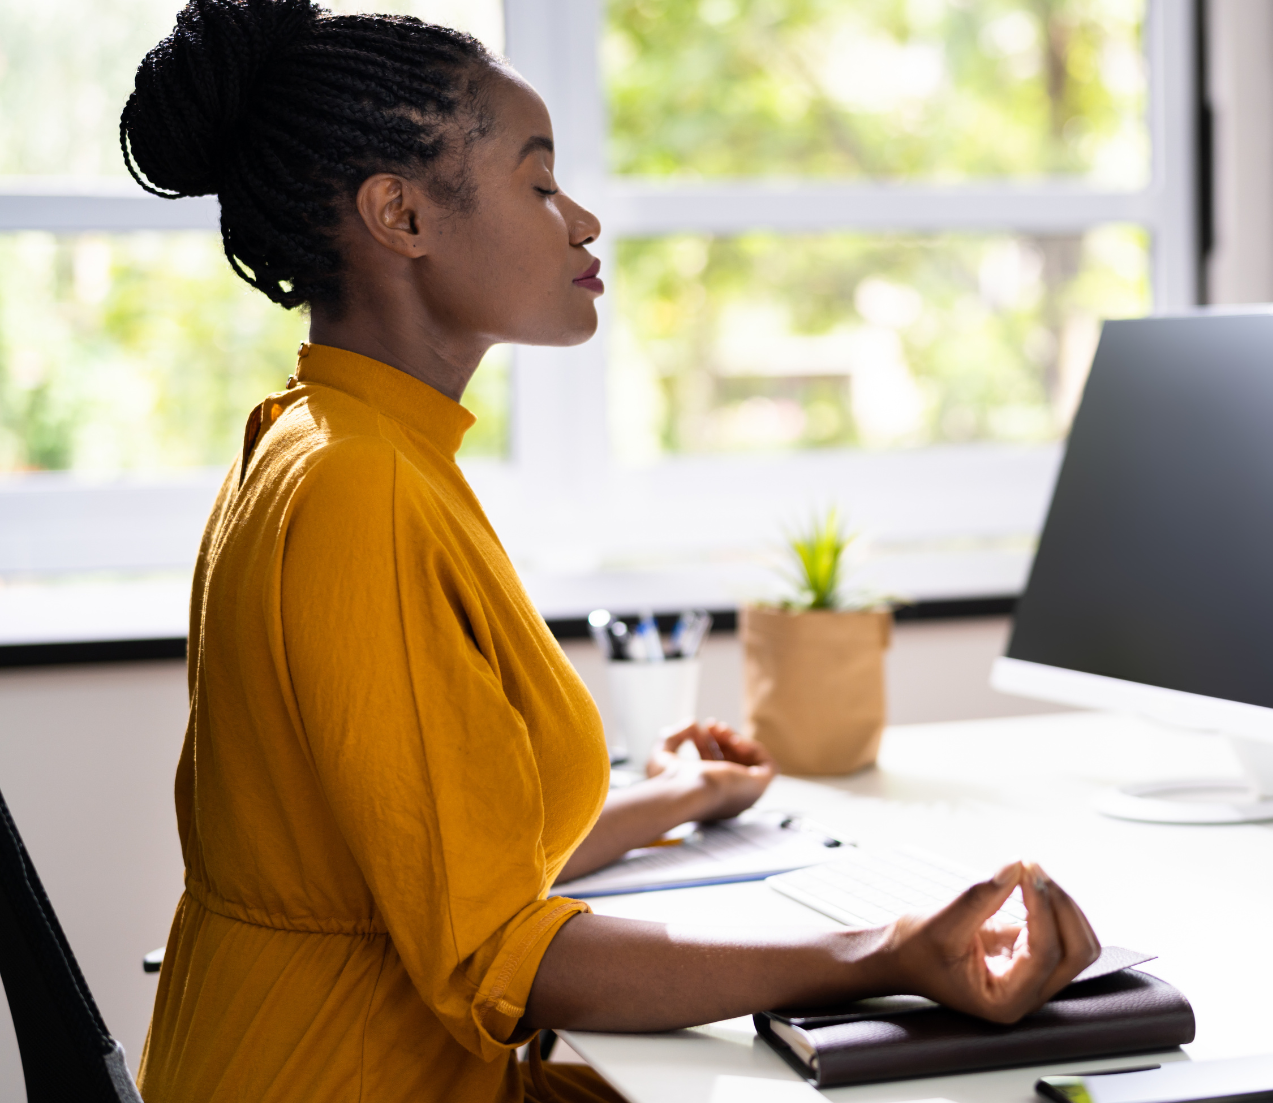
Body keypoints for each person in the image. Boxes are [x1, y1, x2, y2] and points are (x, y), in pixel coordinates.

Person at [118, 2, 1101, 1100]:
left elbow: (428, 855)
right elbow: (503, 952)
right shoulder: (363, 488)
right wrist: (884, 953)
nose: (581, 220)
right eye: (539, 184)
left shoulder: (319, 437)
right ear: (400, 214)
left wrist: (669, 798)